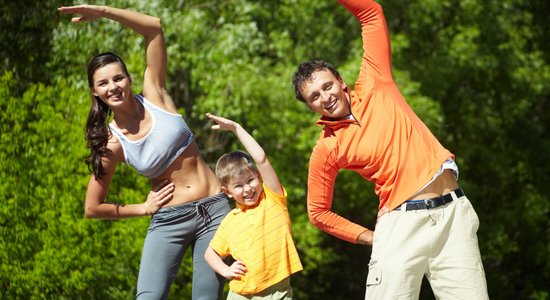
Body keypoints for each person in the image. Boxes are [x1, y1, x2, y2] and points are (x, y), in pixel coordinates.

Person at [292, 0, 489, 299]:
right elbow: (318, 212)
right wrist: (371, 237)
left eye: (327, 86)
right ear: (310, 107)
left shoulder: (375, 82)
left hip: (454, 218)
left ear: (341, 82)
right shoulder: (327, 148)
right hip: (402, 227)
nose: (325, 97)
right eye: (314, 96)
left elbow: (370, 13)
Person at [58, 5, 231, 300]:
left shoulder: (155, 93)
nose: (113, 86)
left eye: (118, 78)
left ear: (129, 78)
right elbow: (92, 207)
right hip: (169, 219)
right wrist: (142, 208)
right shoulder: (111, 144)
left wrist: (102, 12)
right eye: (103, 83)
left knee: (207, 298)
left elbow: (154, 27)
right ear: (94, 92)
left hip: (216, 210)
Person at [203, 113, 303, 299]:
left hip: (278, 291)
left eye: (250, 180)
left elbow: (261, 159)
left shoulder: (272, 200)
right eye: (239, 186)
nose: (247, 189)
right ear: (227, 192)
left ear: (259, 177)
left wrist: (236, 129)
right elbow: (210, 254)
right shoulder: (230, 221)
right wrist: (226, 271)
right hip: (242, 294)